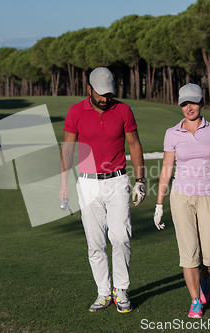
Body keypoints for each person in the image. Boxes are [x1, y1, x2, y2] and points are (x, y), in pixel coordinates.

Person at [59, 67, 146, 313]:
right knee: (95, 243)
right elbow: (67, 149)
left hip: (117, 180)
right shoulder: (76, 112)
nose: (106, 99)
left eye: (109, 94)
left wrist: (140, 180)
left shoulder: (123, 110)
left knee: (121, 237)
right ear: (89, 89)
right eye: (101, 94)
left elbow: (134, 144)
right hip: (87, 183)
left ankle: (121, 291)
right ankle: (103, 293)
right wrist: (63, 183)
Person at [153, 83, 210, 319]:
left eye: (192, 102)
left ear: (202, 102)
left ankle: (205, 281)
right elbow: (166, 169)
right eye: (183, 103)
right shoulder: (172, 133)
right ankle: (195, 301)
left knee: (209, 255)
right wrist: (159, 203)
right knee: (188, 253)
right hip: (181, 197)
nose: (188, 107)